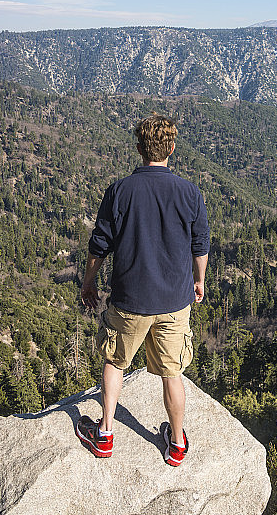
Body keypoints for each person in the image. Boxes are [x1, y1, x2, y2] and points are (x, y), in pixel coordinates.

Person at [76, 113, 210, 466]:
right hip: (173, 300)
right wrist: (199, 281)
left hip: (131, 299)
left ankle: (104, 434)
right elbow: (201, 244)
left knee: (114, 361)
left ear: (138, 149)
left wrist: (88, 283)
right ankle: (177, 443)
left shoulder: (120, 191)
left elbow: (99, 245)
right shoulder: (189, 192)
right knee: (172, 372)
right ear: (172, 148)